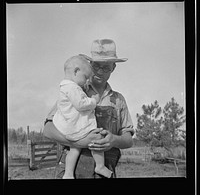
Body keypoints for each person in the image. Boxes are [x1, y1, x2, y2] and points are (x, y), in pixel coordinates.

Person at [43, 39, 134, 178]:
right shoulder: (74, 91)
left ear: (113, 67)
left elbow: (128, 140)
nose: (99, 71)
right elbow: (48, 129)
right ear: (90, 64)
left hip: (104, 171)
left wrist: (113, 141)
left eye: (106, 67)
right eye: (96, 66)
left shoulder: (118, 100)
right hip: (72, 172)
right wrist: (79, 142)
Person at [52, 55, 113, 178]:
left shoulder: (66, 87)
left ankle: (68, 173)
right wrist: (93, 101)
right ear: (76, 71)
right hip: (76, 128)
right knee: (98, 138)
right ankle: (100, 166)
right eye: (85, 77)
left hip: (70, 129)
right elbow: (80, 104)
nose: (86, 81)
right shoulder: (72, 88)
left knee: (74, 150)